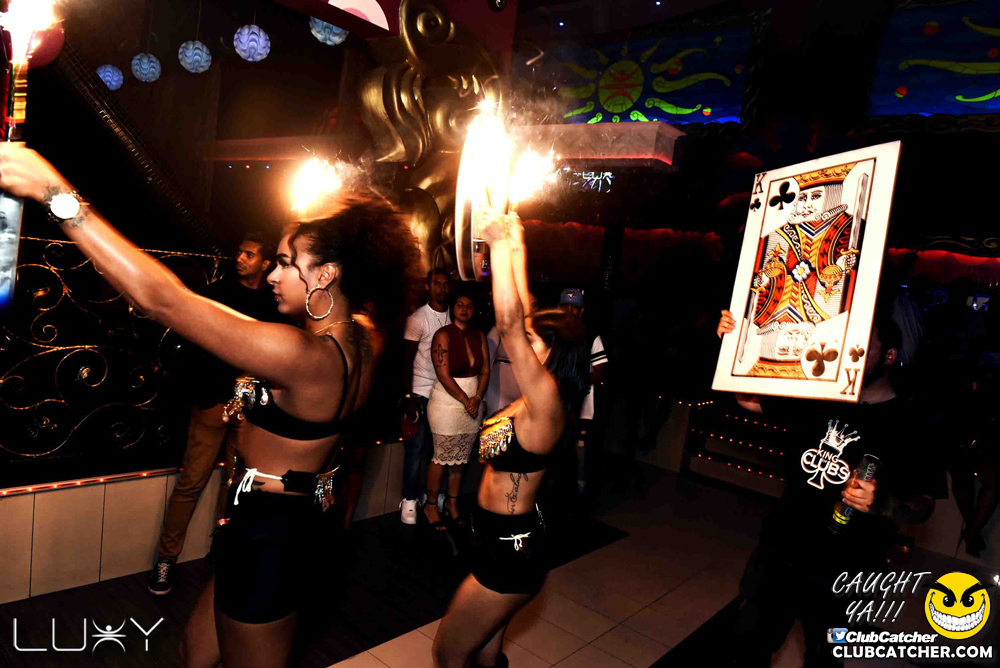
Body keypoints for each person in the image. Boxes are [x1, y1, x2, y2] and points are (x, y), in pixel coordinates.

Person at [0, 144, 419, 668]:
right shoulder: (365, 336)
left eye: (286, 263)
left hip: (271, 536)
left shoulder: (302, 356)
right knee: (195, 653)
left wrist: (55, 194)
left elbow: (163, 300)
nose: (273, 275)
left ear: (326, 275)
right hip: (278, 522)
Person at [717, 306, 940, 667]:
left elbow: (925, 504)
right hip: (781, 552)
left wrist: (883, 504)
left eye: (863, 344)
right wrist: (738, 345)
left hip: (850, 570)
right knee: (747, 648)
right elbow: (747, 399)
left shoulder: (912, 424)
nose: (851, 349)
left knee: (825, 661)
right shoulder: (820, 394)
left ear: (889, 356)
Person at [432, 211, 589, 668]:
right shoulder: (536, 398)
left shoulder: (548, 402)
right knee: (484, 654)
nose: (522, 343)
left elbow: (509, 323)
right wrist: (516, 241)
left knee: (448, 653)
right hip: (494, 536)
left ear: (552, 354)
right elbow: (521, 310)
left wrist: (497, 248)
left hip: (510, 550)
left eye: (533, 341)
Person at [148, 233, 282, 596]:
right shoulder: (218, 292)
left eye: (249, 254)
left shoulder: (273, 301)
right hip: (213, 403)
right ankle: (165, 559)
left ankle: (223, 551)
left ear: (265, 264)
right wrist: (206, 397)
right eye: (240, 252)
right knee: (191, 482)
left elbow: (275, 354)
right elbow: (192, 345)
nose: (240, 258)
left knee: (236, 486)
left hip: (250, 409)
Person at [425, 292, 490, 529]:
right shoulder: (443, 334)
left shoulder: (479, 335)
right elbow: (442, 374)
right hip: (447, 403)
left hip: (472, 404)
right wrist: (466, 400)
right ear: (454, 308)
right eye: (460, 305)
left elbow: (485, 370)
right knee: (441, 457)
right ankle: (431, 505)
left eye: (469, 305)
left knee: (460, 459)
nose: (464, 309)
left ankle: (452, 504)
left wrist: (477, 398)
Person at [401, 269, 453, 524]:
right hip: (421, 393)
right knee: (416, 450)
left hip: (446, 395)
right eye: (437, 284)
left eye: (445, 284)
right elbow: (406, 360)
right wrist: (408, 398)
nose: (441, 289)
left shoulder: (455, 316)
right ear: (428, 287)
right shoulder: (418, 318)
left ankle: (433, 496)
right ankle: (409, 499)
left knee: (439, 451)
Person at [559, 288, 608, 497]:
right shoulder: (553, 334)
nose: (570, 311)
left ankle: (580, 492)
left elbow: (599, 372)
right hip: (557, 404)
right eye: (566, 306)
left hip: (582, 405)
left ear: (582, 310)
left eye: (575, 307)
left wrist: (574, 380)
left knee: (580, 451)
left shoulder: (591, 336)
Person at [484, 294, 538, 417]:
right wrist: (483, 396)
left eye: (535, 305)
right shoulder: (501, 327)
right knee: (497, 422)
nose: (532, 308)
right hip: (499, 386)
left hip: (523, 388)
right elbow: (487, 360)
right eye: (530, 304)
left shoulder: (537, 331)